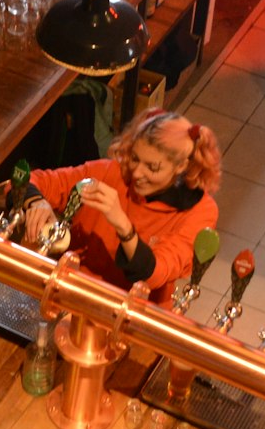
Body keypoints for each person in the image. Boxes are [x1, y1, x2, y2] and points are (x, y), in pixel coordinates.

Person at [20, 109, 223, 304]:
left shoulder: (200, 211)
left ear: (181, 166)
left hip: (134, 314)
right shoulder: (111, 172)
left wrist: (123, 227)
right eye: (135, 158)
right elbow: (25, 180)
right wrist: (36, 202)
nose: (136, 173)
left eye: (152, 167)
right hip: (70, 294)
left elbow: (155, 274)